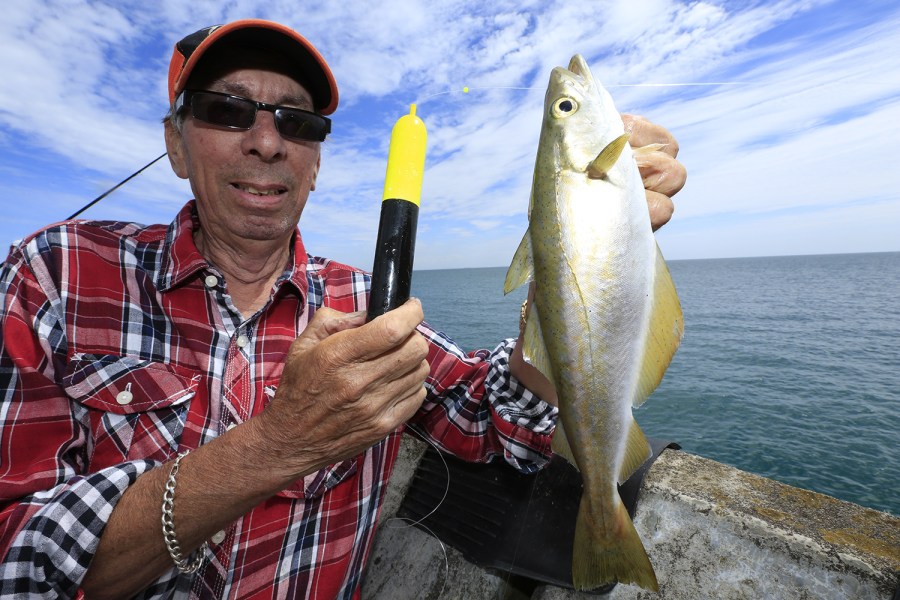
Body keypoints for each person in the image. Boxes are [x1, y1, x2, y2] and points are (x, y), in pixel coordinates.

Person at [0, 19, 686, 600]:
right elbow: (15, 557)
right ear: (176, 143)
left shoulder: (368, 307)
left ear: (317, 162)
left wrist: (577, 275)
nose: (267, 142)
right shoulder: (53, 273)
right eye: (226, 110)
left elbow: (492, 416)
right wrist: (280, 445)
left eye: (297, 121)